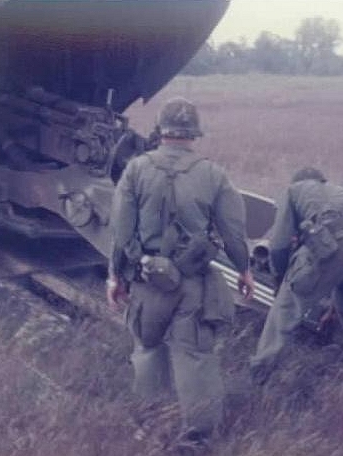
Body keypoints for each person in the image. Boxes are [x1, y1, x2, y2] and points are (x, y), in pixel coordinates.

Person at [106, 97, 254, 443]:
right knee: (195, 356)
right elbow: (233, 232)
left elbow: (122, 231)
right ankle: (197, 438)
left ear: (161, 131)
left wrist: (117, 276)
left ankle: (150, 423)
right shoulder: (214, 174)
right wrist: (245, 270)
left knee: (147, 349)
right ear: (194, 134)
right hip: (193, 284)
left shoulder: (136, 169)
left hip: (147, 282)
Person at [250, 167, 343, 385]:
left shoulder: (293, 191)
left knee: (285, 307)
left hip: (334, 243)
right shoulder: (337, 191)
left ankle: (260, 370)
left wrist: (281, 278)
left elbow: (279, 245)